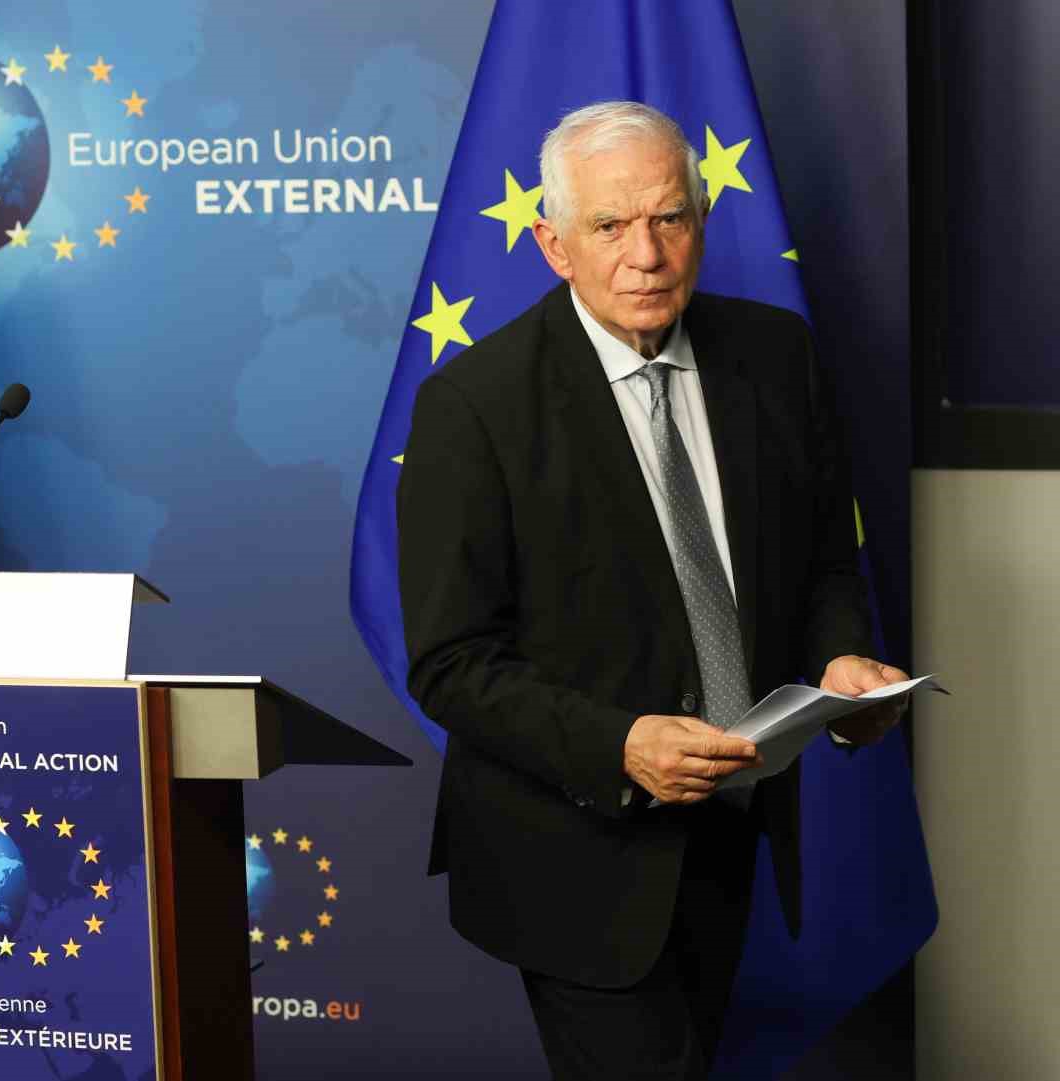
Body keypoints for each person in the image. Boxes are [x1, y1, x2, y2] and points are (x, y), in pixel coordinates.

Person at [396, 101, 910, 1081]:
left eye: (670, 217)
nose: (647, 254)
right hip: (572, 851)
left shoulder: (776, 357)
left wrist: (839, 659)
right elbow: (451, 662)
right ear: (553, 245)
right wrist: (619, 745)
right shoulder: (473, 406)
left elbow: (821, 565)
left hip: (731, 826)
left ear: (701, 222)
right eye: (610, 225)